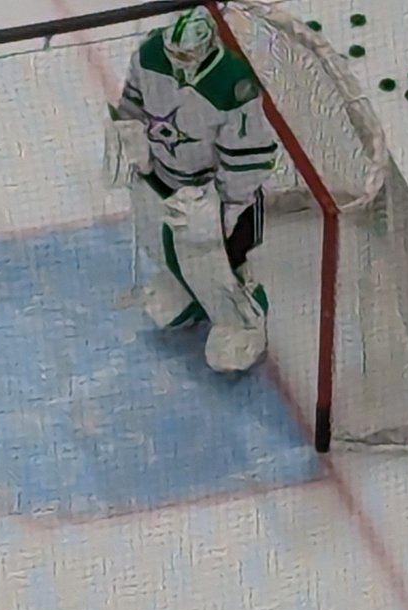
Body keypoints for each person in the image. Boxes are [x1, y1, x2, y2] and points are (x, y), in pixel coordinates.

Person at [103, 6, 278, 373]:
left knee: (215, 257)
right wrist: (129, 139)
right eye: (174, 54)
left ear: (207, 47)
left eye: (186, 56)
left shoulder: (234, 84)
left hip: (208, 190)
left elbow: (249, 155)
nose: (178, 62)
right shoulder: (150, 55)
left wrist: (228, 207)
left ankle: (242, 318)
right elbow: (132, 104)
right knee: (159, 240)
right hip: (160, 173)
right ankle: (187, 290)